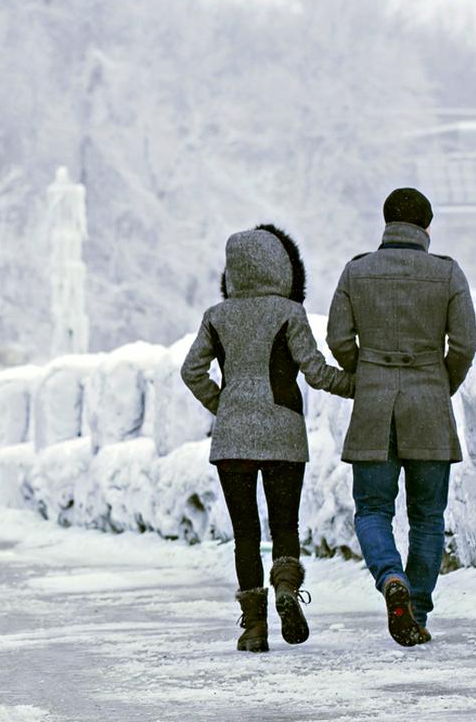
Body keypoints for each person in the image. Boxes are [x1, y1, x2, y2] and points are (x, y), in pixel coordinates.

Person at [182, 225, 355, 653]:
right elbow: (315, 371)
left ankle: (254, 628)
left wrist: (223, 406)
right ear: (282, 266)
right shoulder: (289, 313)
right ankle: (285, 587)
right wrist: (355, 385)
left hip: (232, 440)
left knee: (244, 533)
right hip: (283, 435)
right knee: (284, 525)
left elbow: (191, 372)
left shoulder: (216, 316)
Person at [326, 188, 476, 647]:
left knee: (372, 509)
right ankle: (417, 608)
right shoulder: (447, 272)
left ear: (386, 222)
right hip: (429, 401)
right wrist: (440, 383)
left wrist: (365, 373)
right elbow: (466, 343)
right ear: (426, 227)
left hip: (374, 403)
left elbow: (337, 337)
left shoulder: (356, 271)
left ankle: (391, 577)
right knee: (428, 517)